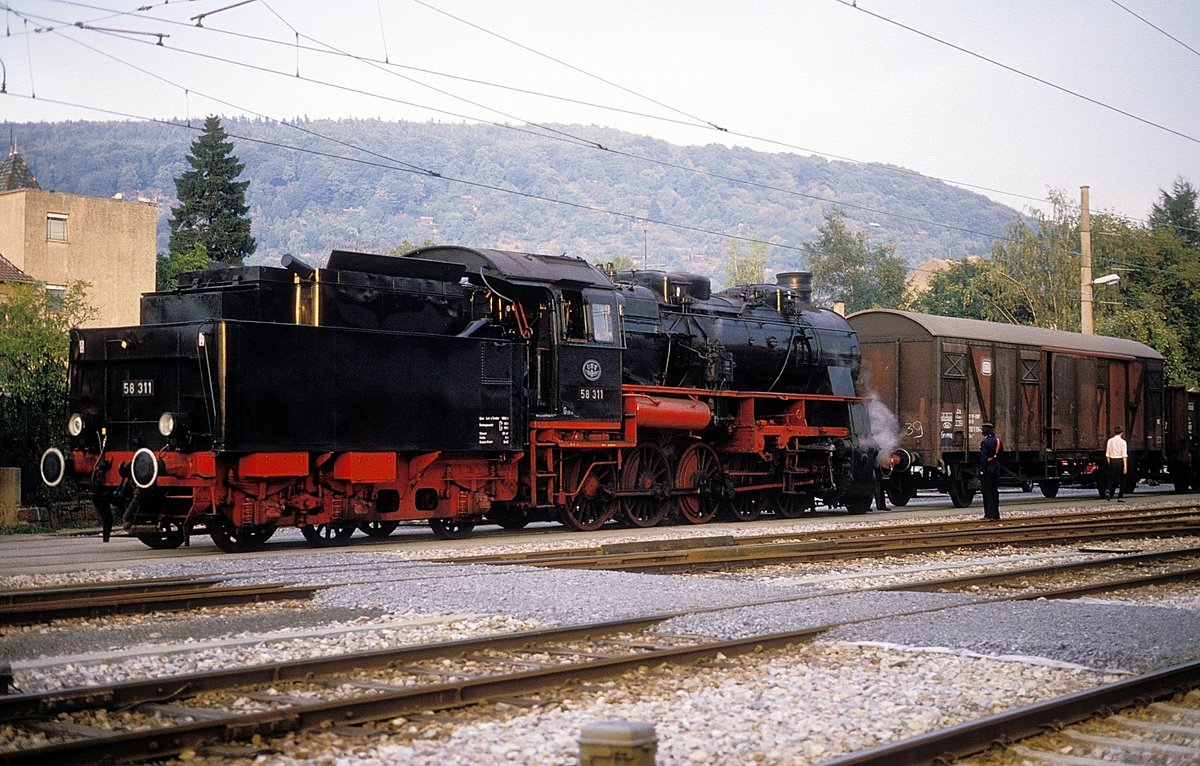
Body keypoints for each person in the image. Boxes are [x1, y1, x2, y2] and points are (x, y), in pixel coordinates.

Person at [979, 422, 1002, 520]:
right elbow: (1001, 455)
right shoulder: (998, 441)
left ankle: (989, 514)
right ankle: (996, 514)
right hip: (996, 469)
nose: (981, 431)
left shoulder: (984, 442)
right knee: (994, 491)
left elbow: (983, 458)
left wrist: (982, 469)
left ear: (985, 431)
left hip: (988, 470)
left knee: (987, 492)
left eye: (982, 429)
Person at [1105, 425, 1128, 502]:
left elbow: (1107, 454)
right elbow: (1124, 455)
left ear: (1114, 432)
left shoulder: (1110, 441)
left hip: (1112, 461)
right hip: (1120, 461)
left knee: (1111, 478)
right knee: (1123, 479)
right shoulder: (1123, 442)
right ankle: (1120, 497)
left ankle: (1108, 489)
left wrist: (1109, 463)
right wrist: (1125, 466)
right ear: (1122, 433)